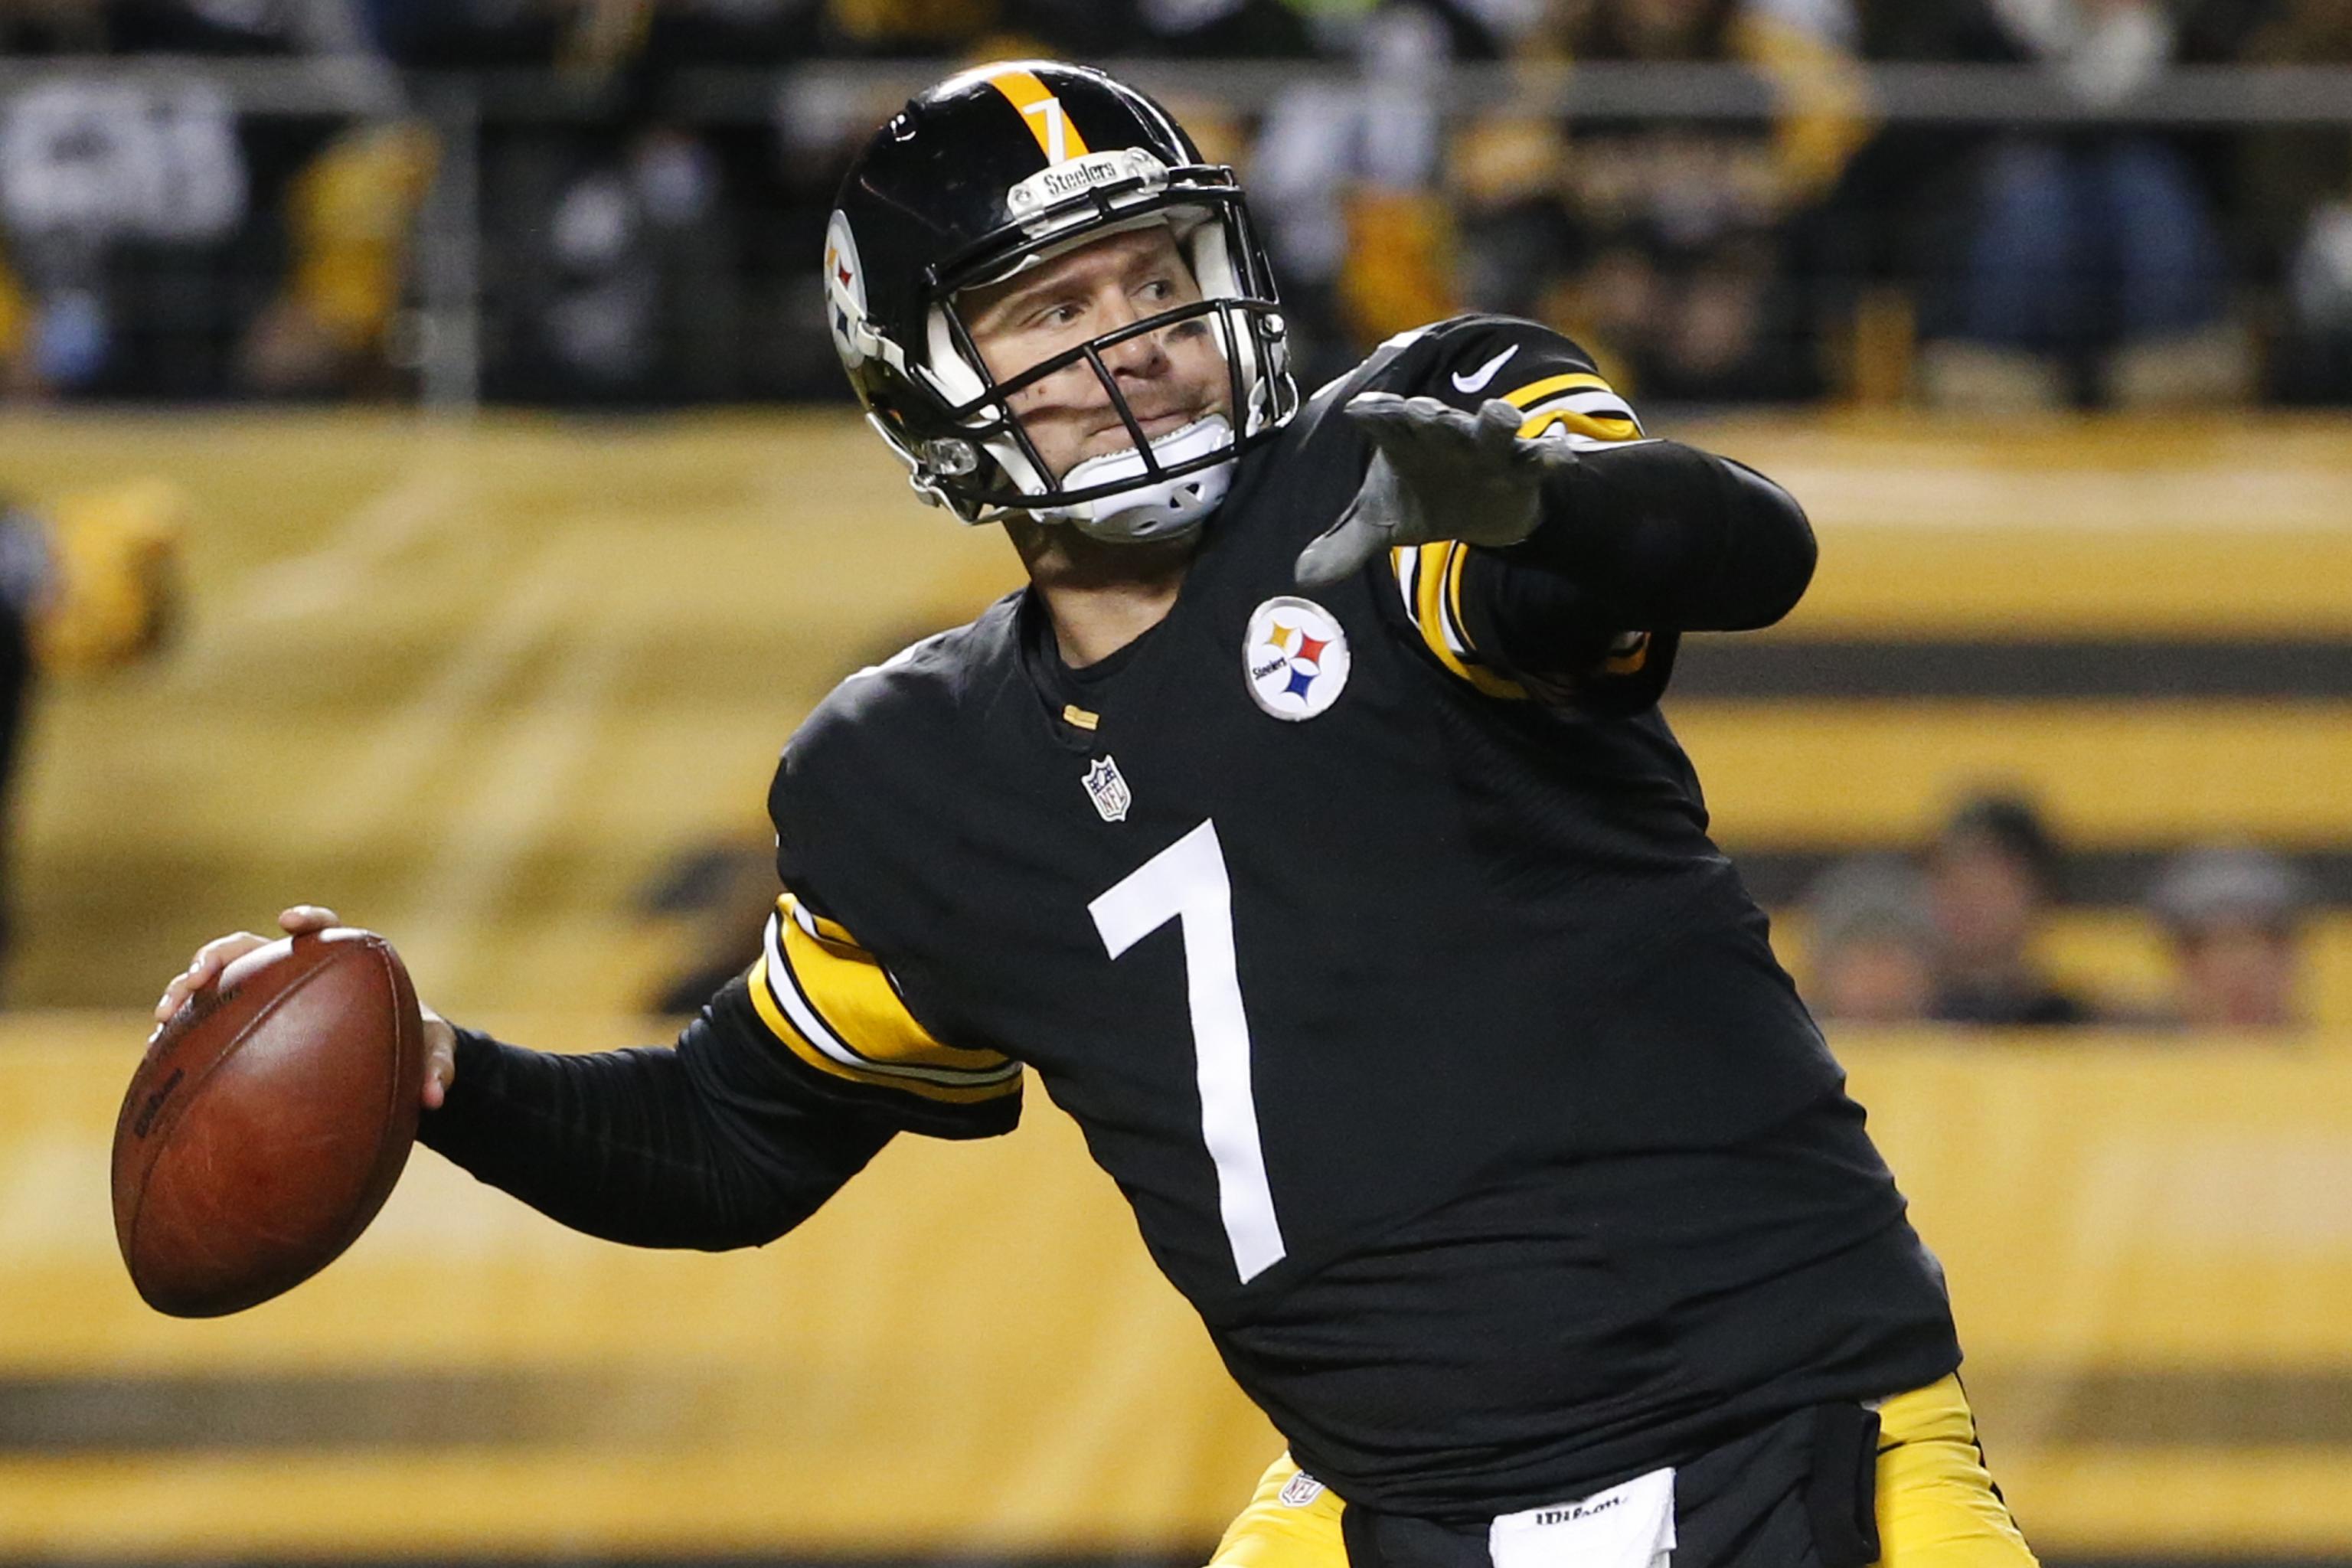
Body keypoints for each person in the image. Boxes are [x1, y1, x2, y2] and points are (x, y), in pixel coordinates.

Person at [155, 62, 2034, 1568]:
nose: (1133, 338)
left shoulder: (1402, 469)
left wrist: (1542, 510)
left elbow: (1745, 549)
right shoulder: (905, 774)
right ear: (922, 382)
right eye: (1054, 307)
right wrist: (435, 1077)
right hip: (1380, 1499)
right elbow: (732, 1139)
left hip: (1791, 1440)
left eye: (1152, 282)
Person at [1924, 792, 2095, 1027]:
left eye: (1990, 884)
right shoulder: (1898, 1016)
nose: (1969, 902)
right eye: (1954, 880)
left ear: (2039, 892)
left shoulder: (2072, 1024)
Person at [2147, 844, 2312, 1031]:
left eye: (2265, 945)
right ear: (2183, 960)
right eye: (2225, 946)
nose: (2241, 972)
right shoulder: (2129, 1051)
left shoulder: (2335, 1053)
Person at [1802, 855, 1937, 1026]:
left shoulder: (1966, 1038)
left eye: (1891, 956)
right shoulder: (1784, 1041)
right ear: (1824, 969)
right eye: (1859, 957)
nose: (1878, 981)